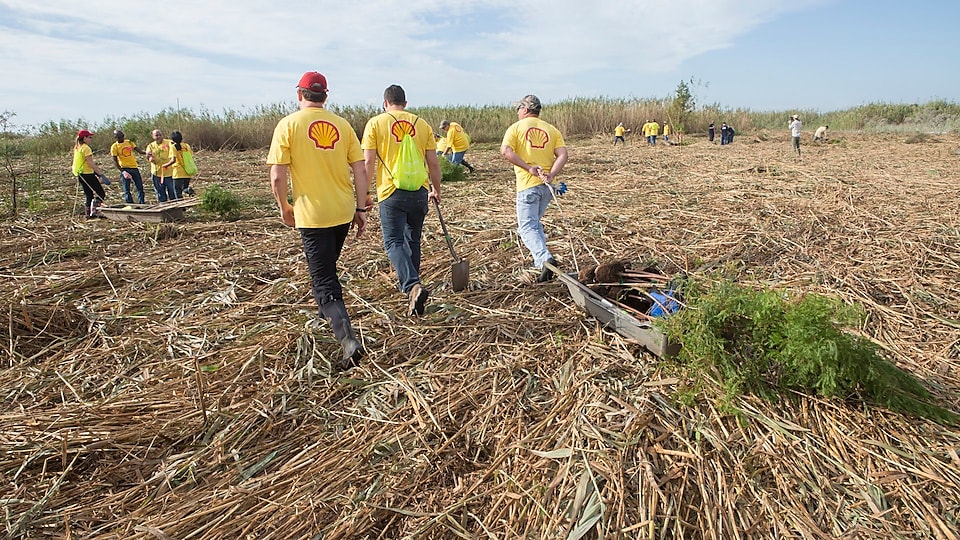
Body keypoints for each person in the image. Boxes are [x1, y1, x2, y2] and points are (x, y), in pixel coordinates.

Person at [267, 71, 370, 370]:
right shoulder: (343, 125)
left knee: (324, 278)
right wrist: (360, 209)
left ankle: (347, 339)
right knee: (326, 266)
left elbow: (277, 175)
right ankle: (324, 311)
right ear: (325, 95)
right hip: (341, 212)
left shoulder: (288, 125)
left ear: (299, 94)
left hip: (312, 214)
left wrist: (284, 205)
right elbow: (360, 169)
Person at [362, 84, 442, 316]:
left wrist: (364, 193)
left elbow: (368, 163)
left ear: (385, 103)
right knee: (413, 240)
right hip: (419, 191)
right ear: (405, 104)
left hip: (391, 192)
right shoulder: (422, 124)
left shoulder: (376, 123)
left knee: (393, 242)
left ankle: (411, 285)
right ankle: (413, 290)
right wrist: (436, 189)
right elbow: (434, 163)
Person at [500, 94, 569, 283]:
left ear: (524, 109)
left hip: (527, 185)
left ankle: (544, 259)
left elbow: (506, 151)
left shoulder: (515, 128)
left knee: (526, 228)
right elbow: (563, 154)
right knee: (535, 224)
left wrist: (528, 167)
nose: (517, 112)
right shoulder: (551, 129)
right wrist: (552, 174)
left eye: (518, 109)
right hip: (546, 187)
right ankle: (541, 261)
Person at [72, 129, 110, 218]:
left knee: (89, 194)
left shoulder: (78, 147)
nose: (91, 139)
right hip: (87, 174)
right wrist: (101, 174)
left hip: (81, 174)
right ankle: (94, 211)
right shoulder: (86, 148)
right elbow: (90, 163)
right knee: (101, 193)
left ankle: (88, 213)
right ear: (84, 138)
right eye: (89, 137)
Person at [110, 129, 146, 204]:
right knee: (127, 189)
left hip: (134, 168)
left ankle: (141, 203)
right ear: (115, 137)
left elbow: (139, 151)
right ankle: (130, 204)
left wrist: (148, 153)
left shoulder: (129, 142)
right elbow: (115, 161)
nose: (121, 138)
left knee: (140, 187)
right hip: (125, 168)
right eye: (119, 137)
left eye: (122, 136)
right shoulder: (114, 147)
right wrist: (123, 172)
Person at [146, 129, 177, 202]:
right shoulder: (150, 146)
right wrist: (150, 158)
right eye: (157, 135)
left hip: (170, 173)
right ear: (153, 136)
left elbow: (176, 147)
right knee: (160, 193)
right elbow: (148, 155)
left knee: (172, 192)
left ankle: (174, 209)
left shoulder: (169, 142)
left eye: (160, 135)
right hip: (157, 173)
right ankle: (163, 209)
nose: (159, 137)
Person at [167, 131, 196, 198]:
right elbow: (190, 155)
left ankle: (180, 207)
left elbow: (173, 160)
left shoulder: (173, 147)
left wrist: (165, 165)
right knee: (184, 188)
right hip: (187, 171)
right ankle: (188, 190)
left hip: (178, 172)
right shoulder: (186, 146)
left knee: (177, 191)